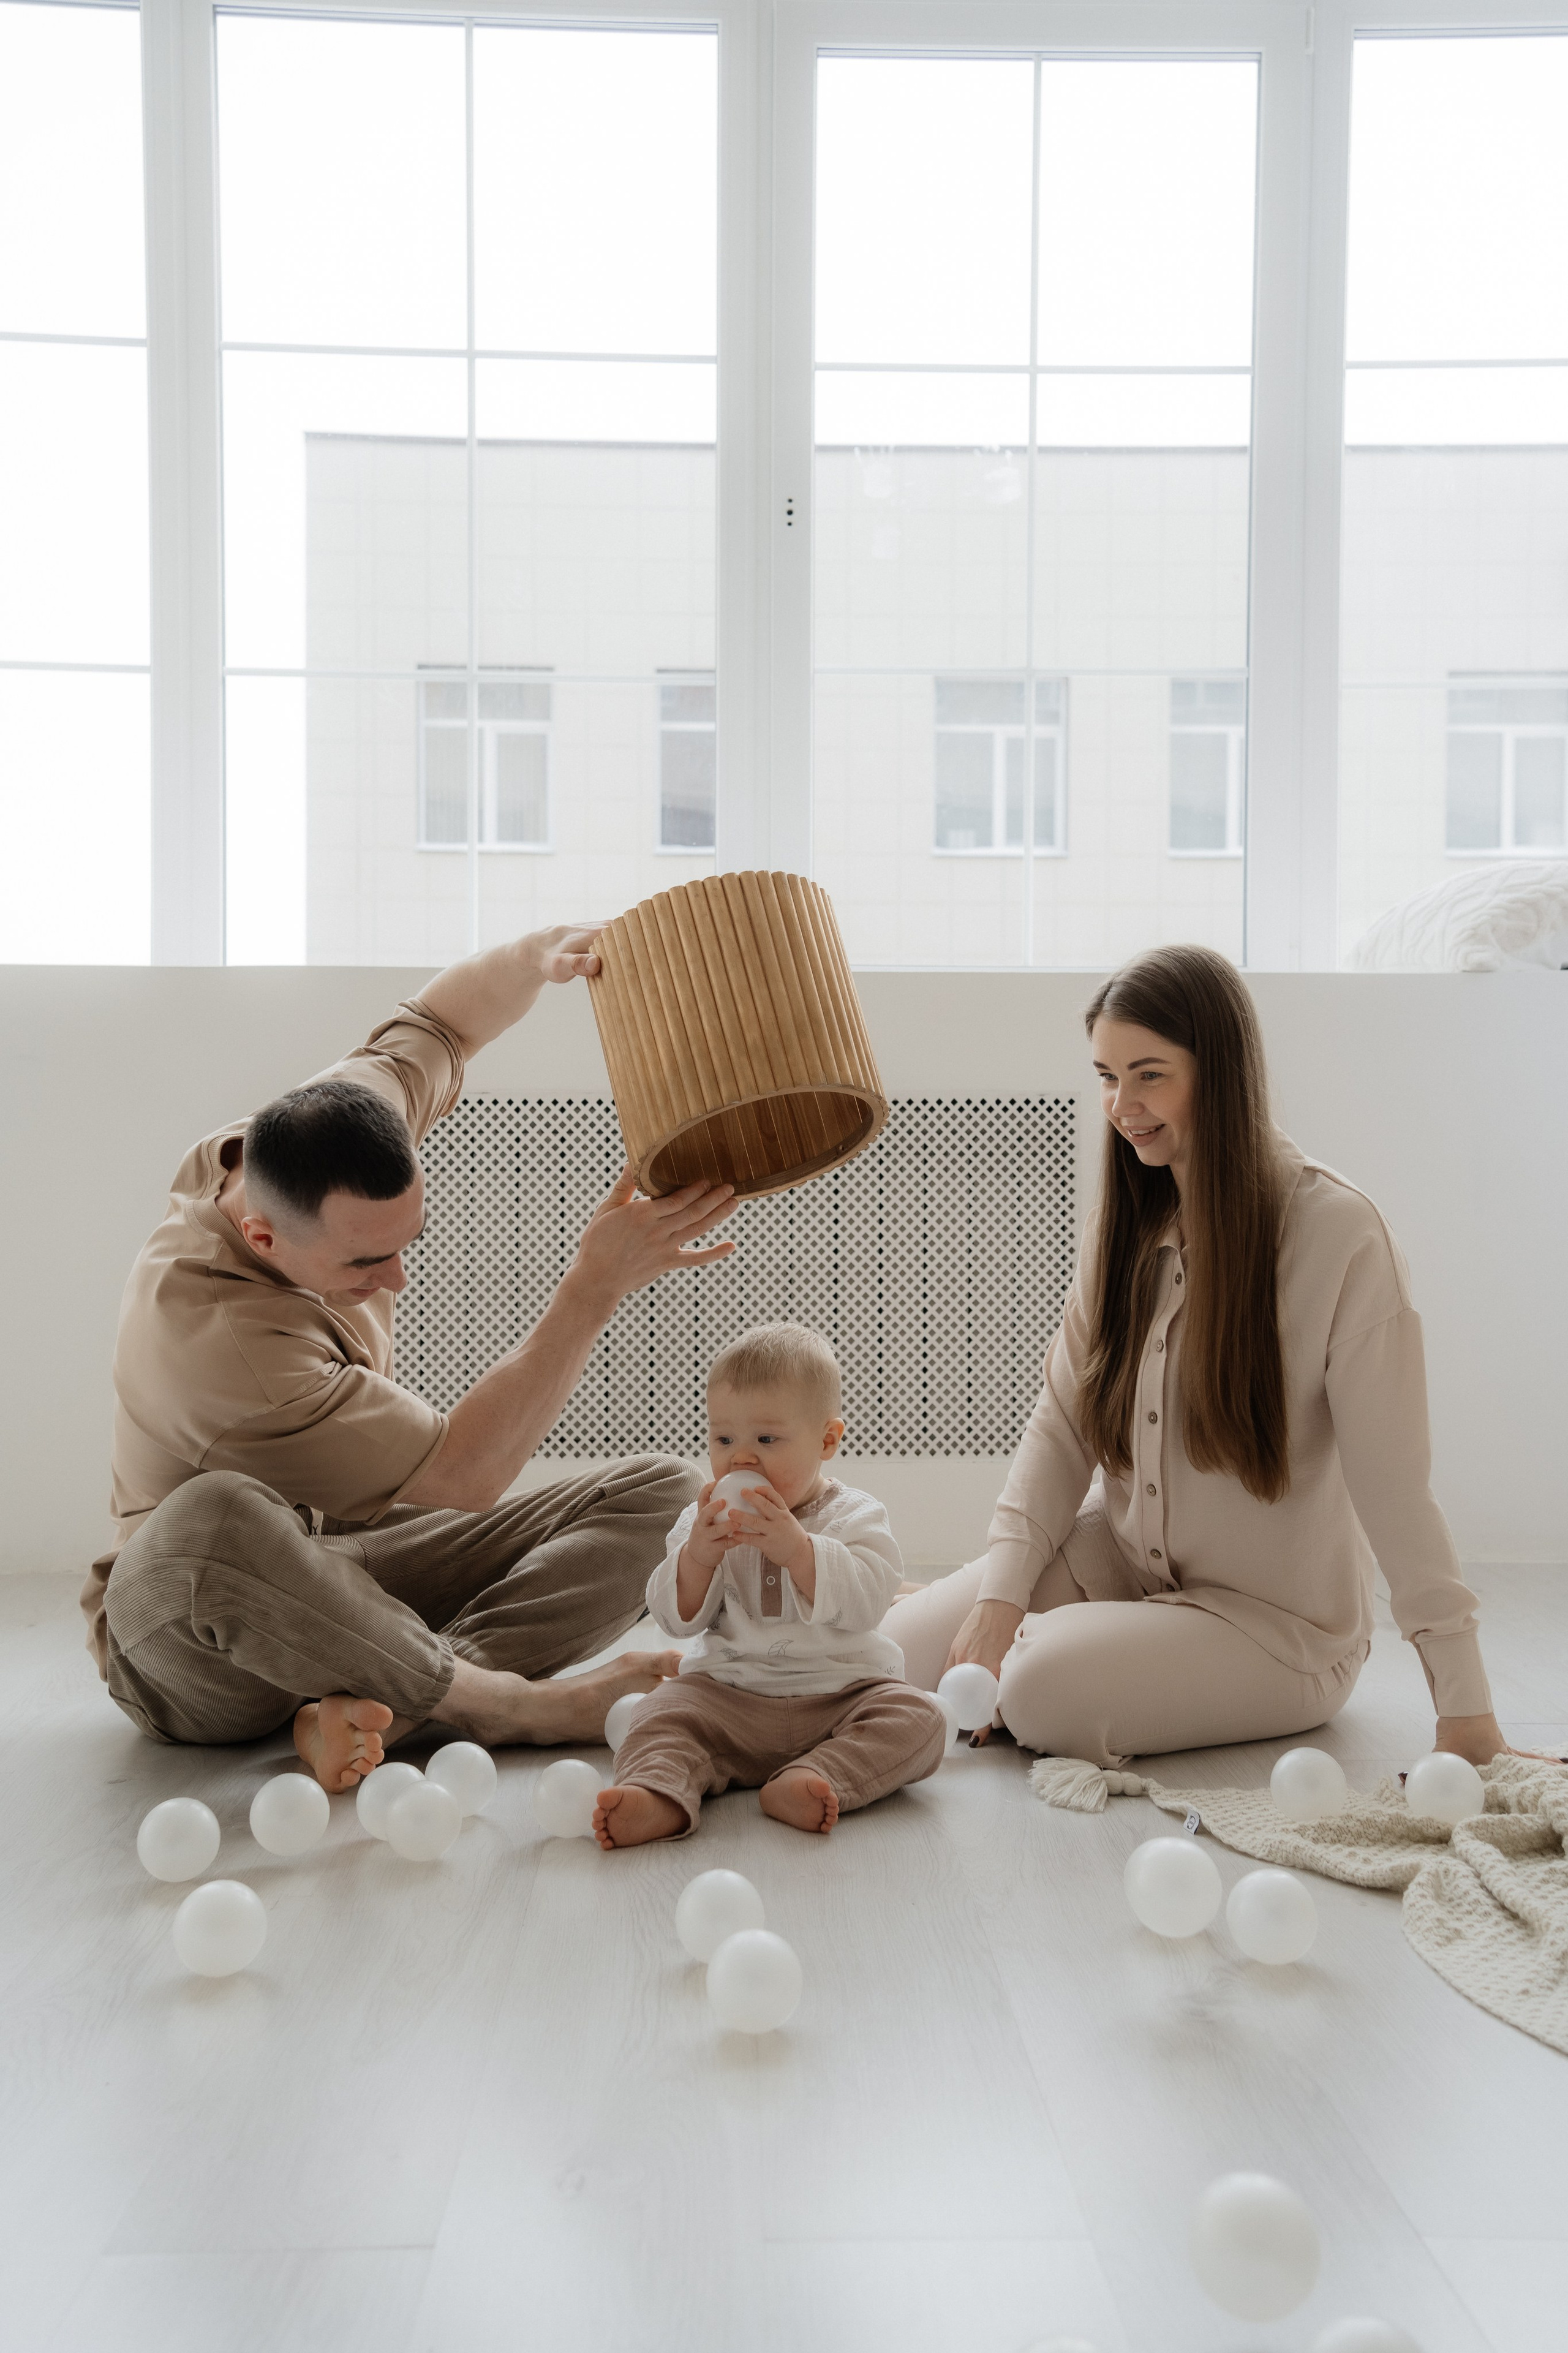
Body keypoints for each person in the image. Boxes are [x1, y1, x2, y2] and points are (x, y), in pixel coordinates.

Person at [90, 926, 739, 1792]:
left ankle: (391, 1711)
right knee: (214, 1518)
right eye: (364, 1263)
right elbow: (470, 1473)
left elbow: (443, 1024)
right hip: (199, 1637)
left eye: (407, 1243)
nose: (397, 1276)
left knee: (664, 1495)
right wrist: (593, 1287)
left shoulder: (331, 1124)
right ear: (260, 1235)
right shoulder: (223, 1345)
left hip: (351, 1563)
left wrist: (534, 960)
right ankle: (505, 1705)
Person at [884, 943, 1530, 1777]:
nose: (1123, 1105)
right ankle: (1031, 1636)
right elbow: (1060, 1433)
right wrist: (997, 1605)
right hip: (1118, 1565)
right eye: (1108, 1076)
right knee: (886, 1659)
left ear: (1219, 1071)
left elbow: (1397, 1495)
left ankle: (1059, 1655)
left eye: (1150, 1074)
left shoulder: (1339, 1237)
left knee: (1040, 1686)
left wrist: (1466, 1710)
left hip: (1273, 1629)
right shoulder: (1129, 1225)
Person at [592, 1324, 947, 1846]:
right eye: (723, 1439)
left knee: (921, 1720)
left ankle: (818, 1775)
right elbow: (674, 1616)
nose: (741, 1458)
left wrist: (800, 1552)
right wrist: (698, 1559)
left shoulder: (856, 1515)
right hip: (731, 1697)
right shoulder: (703, 1520)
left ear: (827, 1440)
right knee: (659, 1712)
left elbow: (871, 1601)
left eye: (766, 1439)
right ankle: (659, 1793)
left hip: (840, 1695)